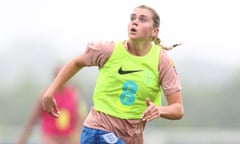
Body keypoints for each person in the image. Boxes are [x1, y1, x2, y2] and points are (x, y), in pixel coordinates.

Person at [42, 5, 184, 144]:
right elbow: (76, 62)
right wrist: (50, 91)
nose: (135, 22)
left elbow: (177, 109)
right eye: (132, 18)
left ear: (154, 31)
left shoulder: (162, 61)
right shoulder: (108, 50)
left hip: (132, 137)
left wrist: (159, 110)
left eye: (142, 19)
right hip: (97, 131)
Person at [17, 65, 85, 144]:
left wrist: (78, 137)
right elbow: (33, 119)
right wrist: (23, 138)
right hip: (49, 137)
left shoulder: (73, 95)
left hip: (67, 137)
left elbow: (78, 119)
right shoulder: (45, 94)